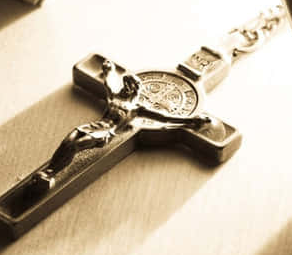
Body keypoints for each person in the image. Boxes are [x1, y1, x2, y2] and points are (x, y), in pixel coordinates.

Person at [33, 60, 212, 190]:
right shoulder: (115, 97)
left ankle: (50, 175)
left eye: (129, 86)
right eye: (125, 85)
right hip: (93, 126)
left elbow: (164, 117)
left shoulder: (136, 108)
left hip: (106, 134)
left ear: (135, 89)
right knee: (68, 141)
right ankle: (48, 171)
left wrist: (189, 121)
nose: (126, 88)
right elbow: (109, 82)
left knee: (76, 146)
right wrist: (108, 69)